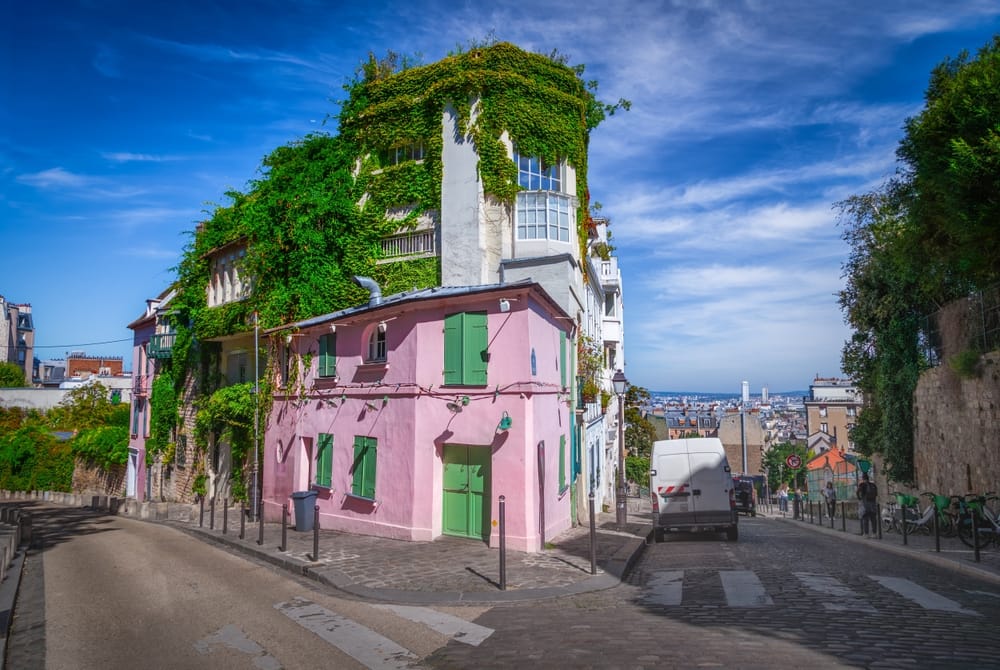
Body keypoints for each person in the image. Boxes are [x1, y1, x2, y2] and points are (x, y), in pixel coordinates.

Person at [857, 473, 878, 537]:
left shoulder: (862, 485)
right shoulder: (873, 485)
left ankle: (866, 534)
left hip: (865, 504)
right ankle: (874, 533)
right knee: (873, 519)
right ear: (868, 478)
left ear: (863, 479)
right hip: (873, 504)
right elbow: (876, 494)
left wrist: (859, 498)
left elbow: (858, 492)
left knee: (865, 519)